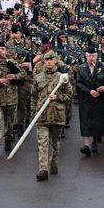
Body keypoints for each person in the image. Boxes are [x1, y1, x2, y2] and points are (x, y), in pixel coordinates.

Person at [31, 51, 72, 181]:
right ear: (43, 61)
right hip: (42, 115)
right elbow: (33, 96)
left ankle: (54, 161)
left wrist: (58, 97)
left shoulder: (62, 77)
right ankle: (43, 169)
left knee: (55, 142)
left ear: (55, 61)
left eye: (51, 59)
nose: (49, 62)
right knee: (42, 142)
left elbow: (69, 95)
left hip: (56, 115)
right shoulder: (38, 78)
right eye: (46, 59)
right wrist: (34, 113)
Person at [0, 41, 25, 156]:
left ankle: (8, 139)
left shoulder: (11, 63)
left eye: (3, 49)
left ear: (5, 51)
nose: (1, 51)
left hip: (10, 97)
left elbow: (23, 75)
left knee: (10, 121)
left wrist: (14, 76)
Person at [75, 46, 104, 155]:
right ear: (86, 56)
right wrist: (89, 91)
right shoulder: (81, 68)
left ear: (97, 56)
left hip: (99, 99)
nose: (91, 58)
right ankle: (86, 144)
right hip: (86, 99)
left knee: (97, 120)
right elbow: (78, 83)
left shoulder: (102, 67)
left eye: (93, 55)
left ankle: (94, 142)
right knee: (86, 120)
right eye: (89, 56)